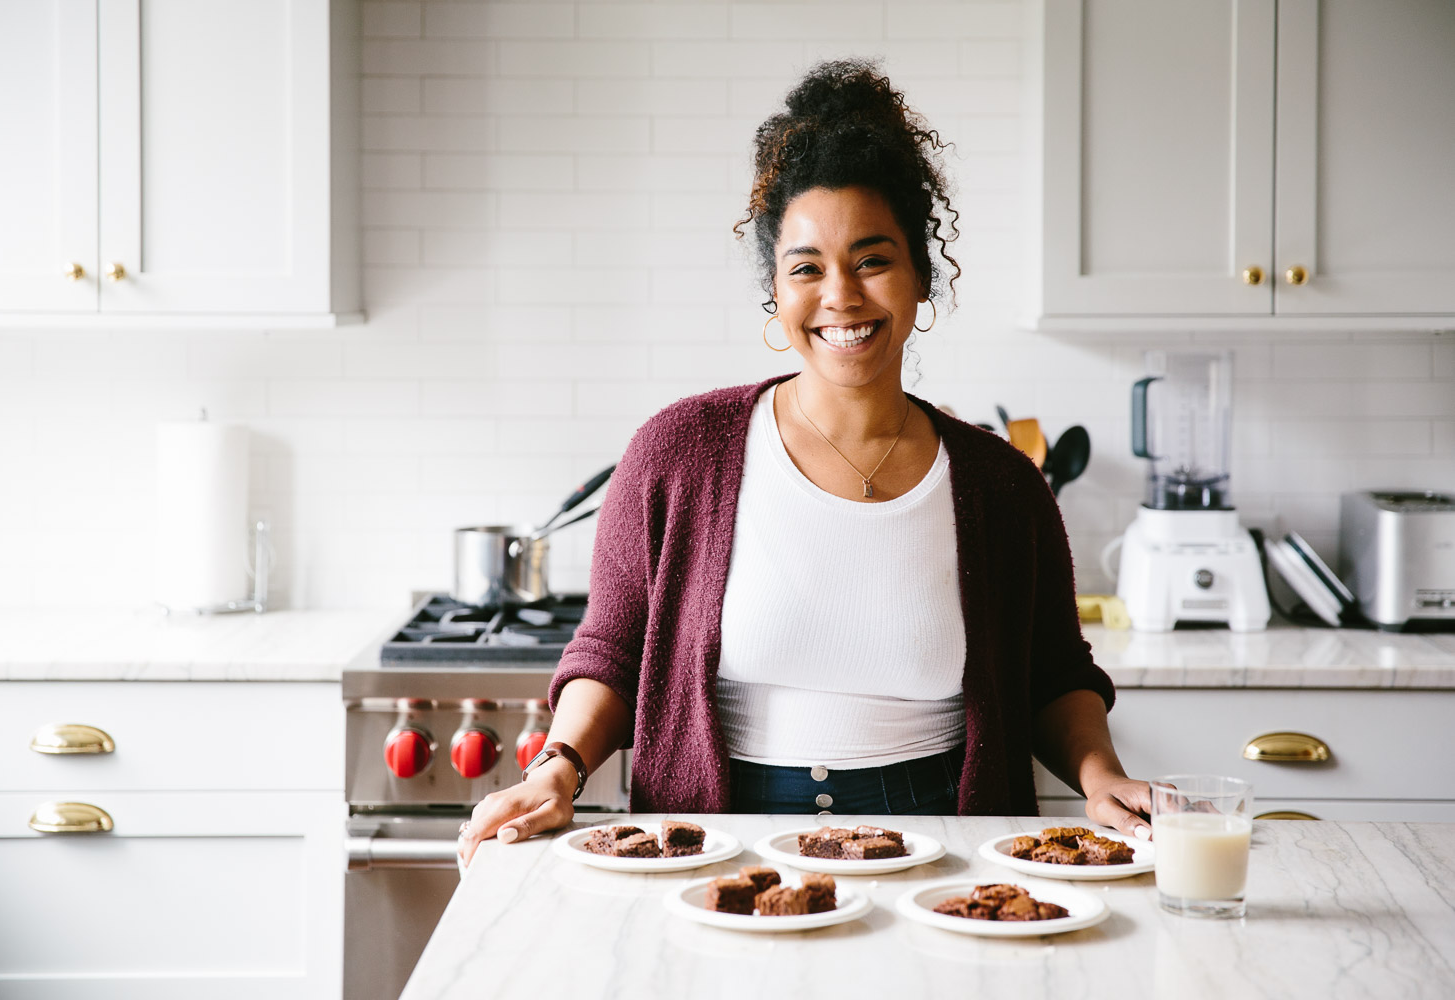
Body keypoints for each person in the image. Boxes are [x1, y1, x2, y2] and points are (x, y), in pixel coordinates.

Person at [460, 60, 1150, 864]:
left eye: (873, 260)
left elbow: (1054, 675)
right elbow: (611, 653)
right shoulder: (677, 454)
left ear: (921, 277)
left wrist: (1100, 775)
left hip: (941, 843)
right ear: (776, 291)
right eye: (806, 268)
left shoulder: (1002, 485)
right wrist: (559, 766)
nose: (841, 295)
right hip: (717, 841)